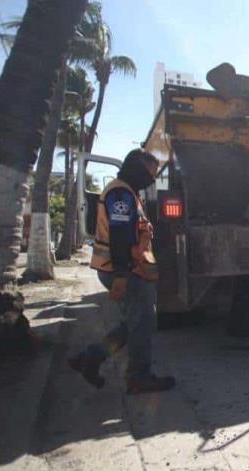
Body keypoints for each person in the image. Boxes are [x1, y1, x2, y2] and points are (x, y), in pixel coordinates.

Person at [69, 149, 175, 394]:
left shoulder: (128, 192)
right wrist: (121, 276)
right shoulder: (121, 193)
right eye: (150, 172)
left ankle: (91, 358)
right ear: (136, 168)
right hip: (126, 270)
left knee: (134, 324)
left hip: (128, 269)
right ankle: (138, 378)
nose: (152, 178)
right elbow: (119, 236)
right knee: (142, 324)